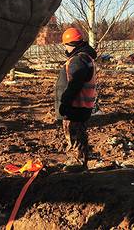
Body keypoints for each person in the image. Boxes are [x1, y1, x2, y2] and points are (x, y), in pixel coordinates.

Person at [55, 27, 97, 172]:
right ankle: (81, 162)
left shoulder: (77, 60)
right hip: (82, 106)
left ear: (70, 44)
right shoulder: (86, 58)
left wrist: (65, 103)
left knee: (74, 135)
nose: (64, 48)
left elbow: (74, 85)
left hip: (75, 106)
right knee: (80, 134)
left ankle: (77, 163)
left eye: (65, 45)